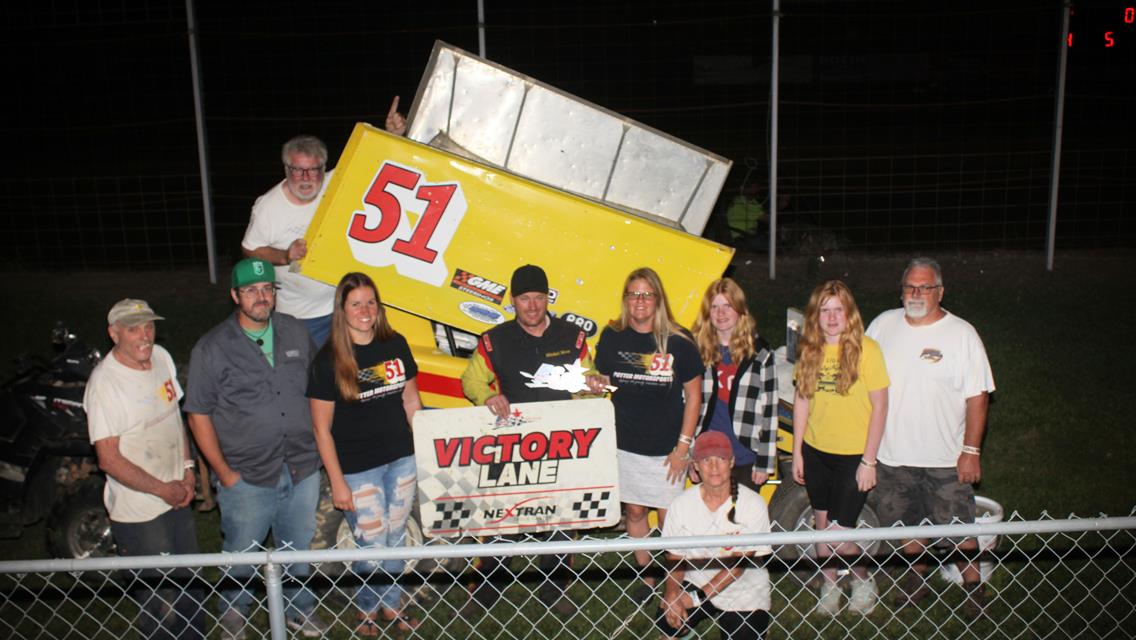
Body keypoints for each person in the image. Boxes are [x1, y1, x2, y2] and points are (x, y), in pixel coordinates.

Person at [184, 258, 327, 640]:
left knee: (299, 546)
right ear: (235, 296)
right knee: (242, 553)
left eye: (267, 290)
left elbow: (317, 389)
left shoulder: (296, 332)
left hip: (301, 464)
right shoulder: (212, 348)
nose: (261, 297)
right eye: (251, 291)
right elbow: (198, 414)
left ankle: (299, 609)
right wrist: (224, 473)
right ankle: (233, 613)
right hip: (246, 473)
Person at [459, 263, 593, 617]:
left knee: (561, 517)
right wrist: (487, 398)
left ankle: (554, 589)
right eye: (524, 299)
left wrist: (592, 388)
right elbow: (470, 381)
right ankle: (487, 589)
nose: (532, 306)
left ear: (547, 298)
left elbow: (588, 382)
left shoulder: (572, 337)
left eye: (538, 298)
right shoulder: (495, 339)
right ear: (513, 301)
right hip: (514, 445)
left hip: (562, 443)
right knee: (505, 518)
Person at [865, 257, 995, 616]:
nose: (916, 293)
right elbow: (861, 376)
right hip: (891, 455)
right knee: (905, 525)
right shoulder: (882, 325)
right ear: (901, 289)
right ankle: (917, 577)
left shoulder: (961, 334)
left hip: (944, 457)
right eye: (910, 286)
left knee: (957, 526)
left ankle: (973, 586)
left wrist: (971, 450)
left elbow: (978, 396)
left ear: (940, 291)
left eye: (925, 287)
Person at [240, 96, 406, 348]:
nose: (306, 177)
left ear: (324, 168)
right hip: (300, 316)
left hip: (344, 304)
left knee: (353, 374)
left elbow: (375, 162)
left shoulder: (335, 183)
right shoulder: (268, 207)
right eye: (298, 169)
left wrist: (393, 134)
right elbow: (250, 250)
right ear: (286, 169)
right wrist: (286, 255)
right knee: (308, 378)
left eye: (314, 169)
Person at [308, 272, 422, 635]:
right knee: (370, 542)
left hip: (401, 457)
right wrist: (337, 482)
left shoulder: (396, 344)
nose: (365, 310)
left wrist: (425, 450)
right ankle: (367, 609)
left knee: (396, 535)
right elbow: (321, 429)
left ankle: (392, 606)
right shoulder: (328, 360)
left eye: (371, 302)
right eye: (356, 303)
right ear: (342, 309)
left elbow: (411, 400)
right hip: (357, 467)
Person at [85, 299, 203, 640]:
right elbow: (108, 458)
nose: (144, 336)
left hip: (177, 497)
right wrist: (161, 488)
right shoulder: (105, 384)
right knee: (160, 602)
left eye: (149, 326)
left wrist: (187, 468)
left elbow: (173, 417)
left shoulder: (162, 358)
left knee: (190, 589)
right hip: (140, 513)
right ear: (113, 333)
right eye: (133, 328)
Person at [589, 267, 703, 605]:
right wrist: (595, 381)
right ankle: (648, 575)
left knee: (669, 519)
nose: (640, 301)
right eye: (634, 294)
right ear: (626, 300)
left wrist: (683, 447)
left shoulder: (679, 341)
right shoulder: (613, 336)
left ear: (658, 300)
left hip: (667, 448)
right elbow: (607, 380)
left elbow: (694, 396)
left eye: (647, 294)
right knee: (635, 513)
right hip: (625, 443)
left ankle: (674, 582)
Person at [791, 280, 889, 616]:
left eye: (838, 310)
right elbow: (802, 399)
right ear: (815, 315)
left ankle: (862, 580)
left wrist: (869, 460)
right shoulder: (809, 350)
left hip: (854, 456)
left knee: (837, 533)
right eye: (825, 310)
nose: (832, 318)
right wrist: (798, 451)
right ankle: (830, 586)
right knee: (822, 529)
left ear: (849, 314)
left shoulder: (868, 349)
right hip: (817, 451)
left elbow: (880, 407)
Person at [658, 431, 773, 640]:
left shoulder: (753, 504)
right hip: (698, 578)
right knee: (667, 623)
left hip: (744, 588)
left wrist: (694, 598)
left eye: (721, 459)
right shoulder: (680, 505)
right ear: (695, 465)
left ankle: (758, 625)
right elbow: (674, 559)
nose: (713, 467)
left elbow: (737, 567)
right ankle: (683, 629)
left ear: (732, 462)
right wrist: (673, 593)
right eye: (706, 460)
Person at [691, 278, 778, 493]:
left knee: (742, 521)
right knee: (712, 519)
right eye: (715, 307)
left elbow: (770, 409)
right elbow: (686, 405)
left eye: (727, 306)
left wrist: (765, 460)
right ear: (707, 312)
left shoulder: (760, 352)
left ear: (739, 309)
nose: (721, 313)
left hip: (745, 451)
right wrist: (689, 455)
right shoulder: (696, 351)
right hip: (708, 452)